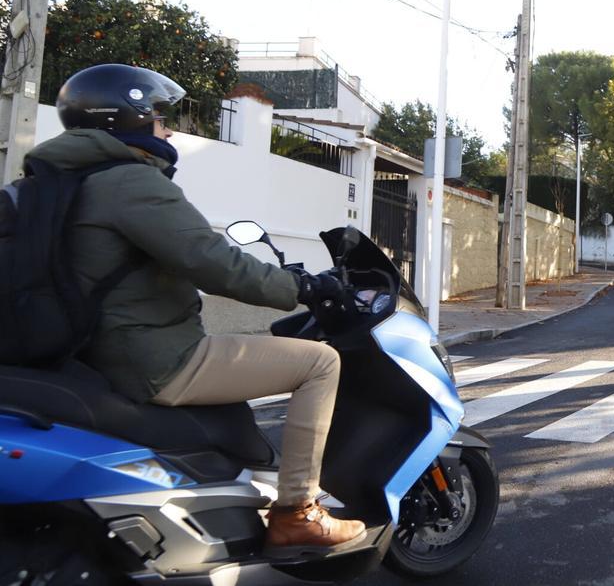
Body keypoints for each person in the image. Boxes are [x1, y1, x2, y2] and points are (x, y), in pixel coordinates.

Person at [26, 63, 364, 554]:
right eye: (160, 119)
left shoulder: (52, 181)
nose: (168, 129)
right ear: (130, 120)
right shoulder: (128, 182)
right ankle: (297, 513)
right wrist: (302, 287)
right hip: (152, 357)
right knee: (319, 363)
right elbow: (215, 263)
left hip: (86, 353)